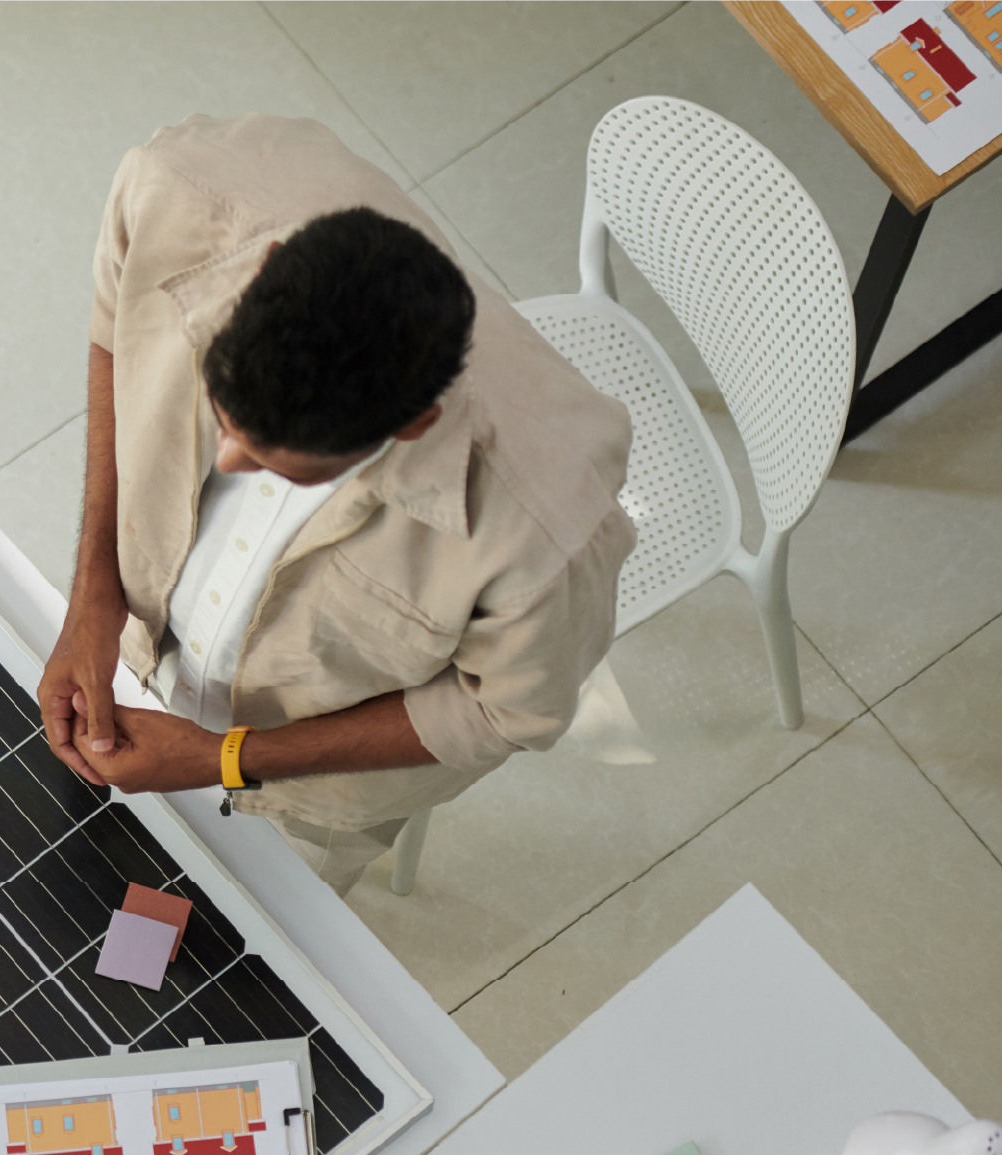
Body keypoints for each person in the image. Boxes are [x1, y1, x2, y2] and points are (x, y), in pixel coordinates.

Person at [40, 114, 637, 896]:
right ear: (272, 267)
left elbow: (504, 715)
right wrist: (94, 597)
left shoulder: (548, 536)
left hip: (308, 794)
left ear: (410, 425)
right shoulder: (175, 188)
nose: (226, 463)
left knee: (262, 923)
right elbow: (111, 329)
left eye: (280, 469)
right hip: (157, 656)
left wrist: (224, 759)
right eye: (225, 419)